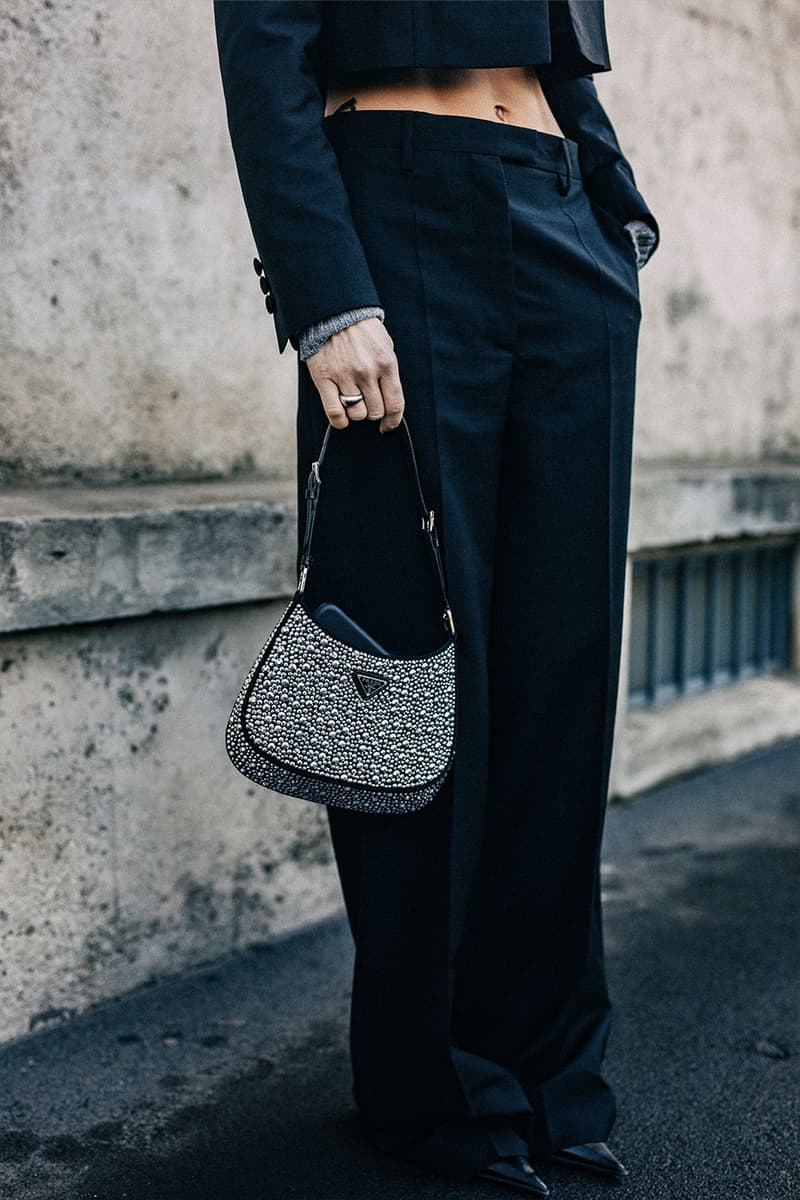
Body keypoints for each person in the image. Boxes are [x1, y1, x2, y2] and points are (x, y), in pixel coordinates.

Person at [214, 3, 660, 1195]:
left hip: (563, 201)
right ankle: (430, 1086)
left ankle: (552, 1072)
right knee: (411, 663)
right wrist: (322, 294)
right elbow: (263, 47)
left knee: (562, 662)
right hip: (400, 207)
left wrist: (611, 195)